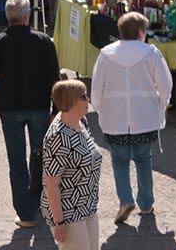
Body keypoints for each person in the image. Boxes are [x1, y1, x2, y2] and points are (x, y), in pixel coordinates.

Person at [0, 0, 61, 229]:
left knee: (17, 159)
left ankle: (25, 213)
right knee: (40, 155)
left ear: (8, 17)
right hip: (39, 107)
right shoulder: (44, 41)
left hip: (9, 108)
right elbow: (55, 78)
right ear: (27, 16)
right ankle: (41, 201)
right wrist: (57, 109)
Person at [91, 12, 172, 224]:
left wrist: (99, 108)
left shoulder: (106, 54)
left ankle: (125, 200)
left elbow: (96, 88)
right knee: (144, 159)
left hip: (114, 118)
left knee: (119, 160)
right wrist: (160, 105)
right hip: (145, 117)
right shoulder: (151, 53)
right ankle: (146, 203)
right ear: (141, 32)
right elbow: (165, 84)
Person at [42, 79, 102, 250]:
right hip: (68, 212)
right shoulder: (59, 135)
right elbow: (51, 182)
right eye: (83, 96)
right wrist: (59, 222)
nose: (88, 100)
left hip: (88, 205)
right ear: (71, 101)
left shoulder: (81, 123)